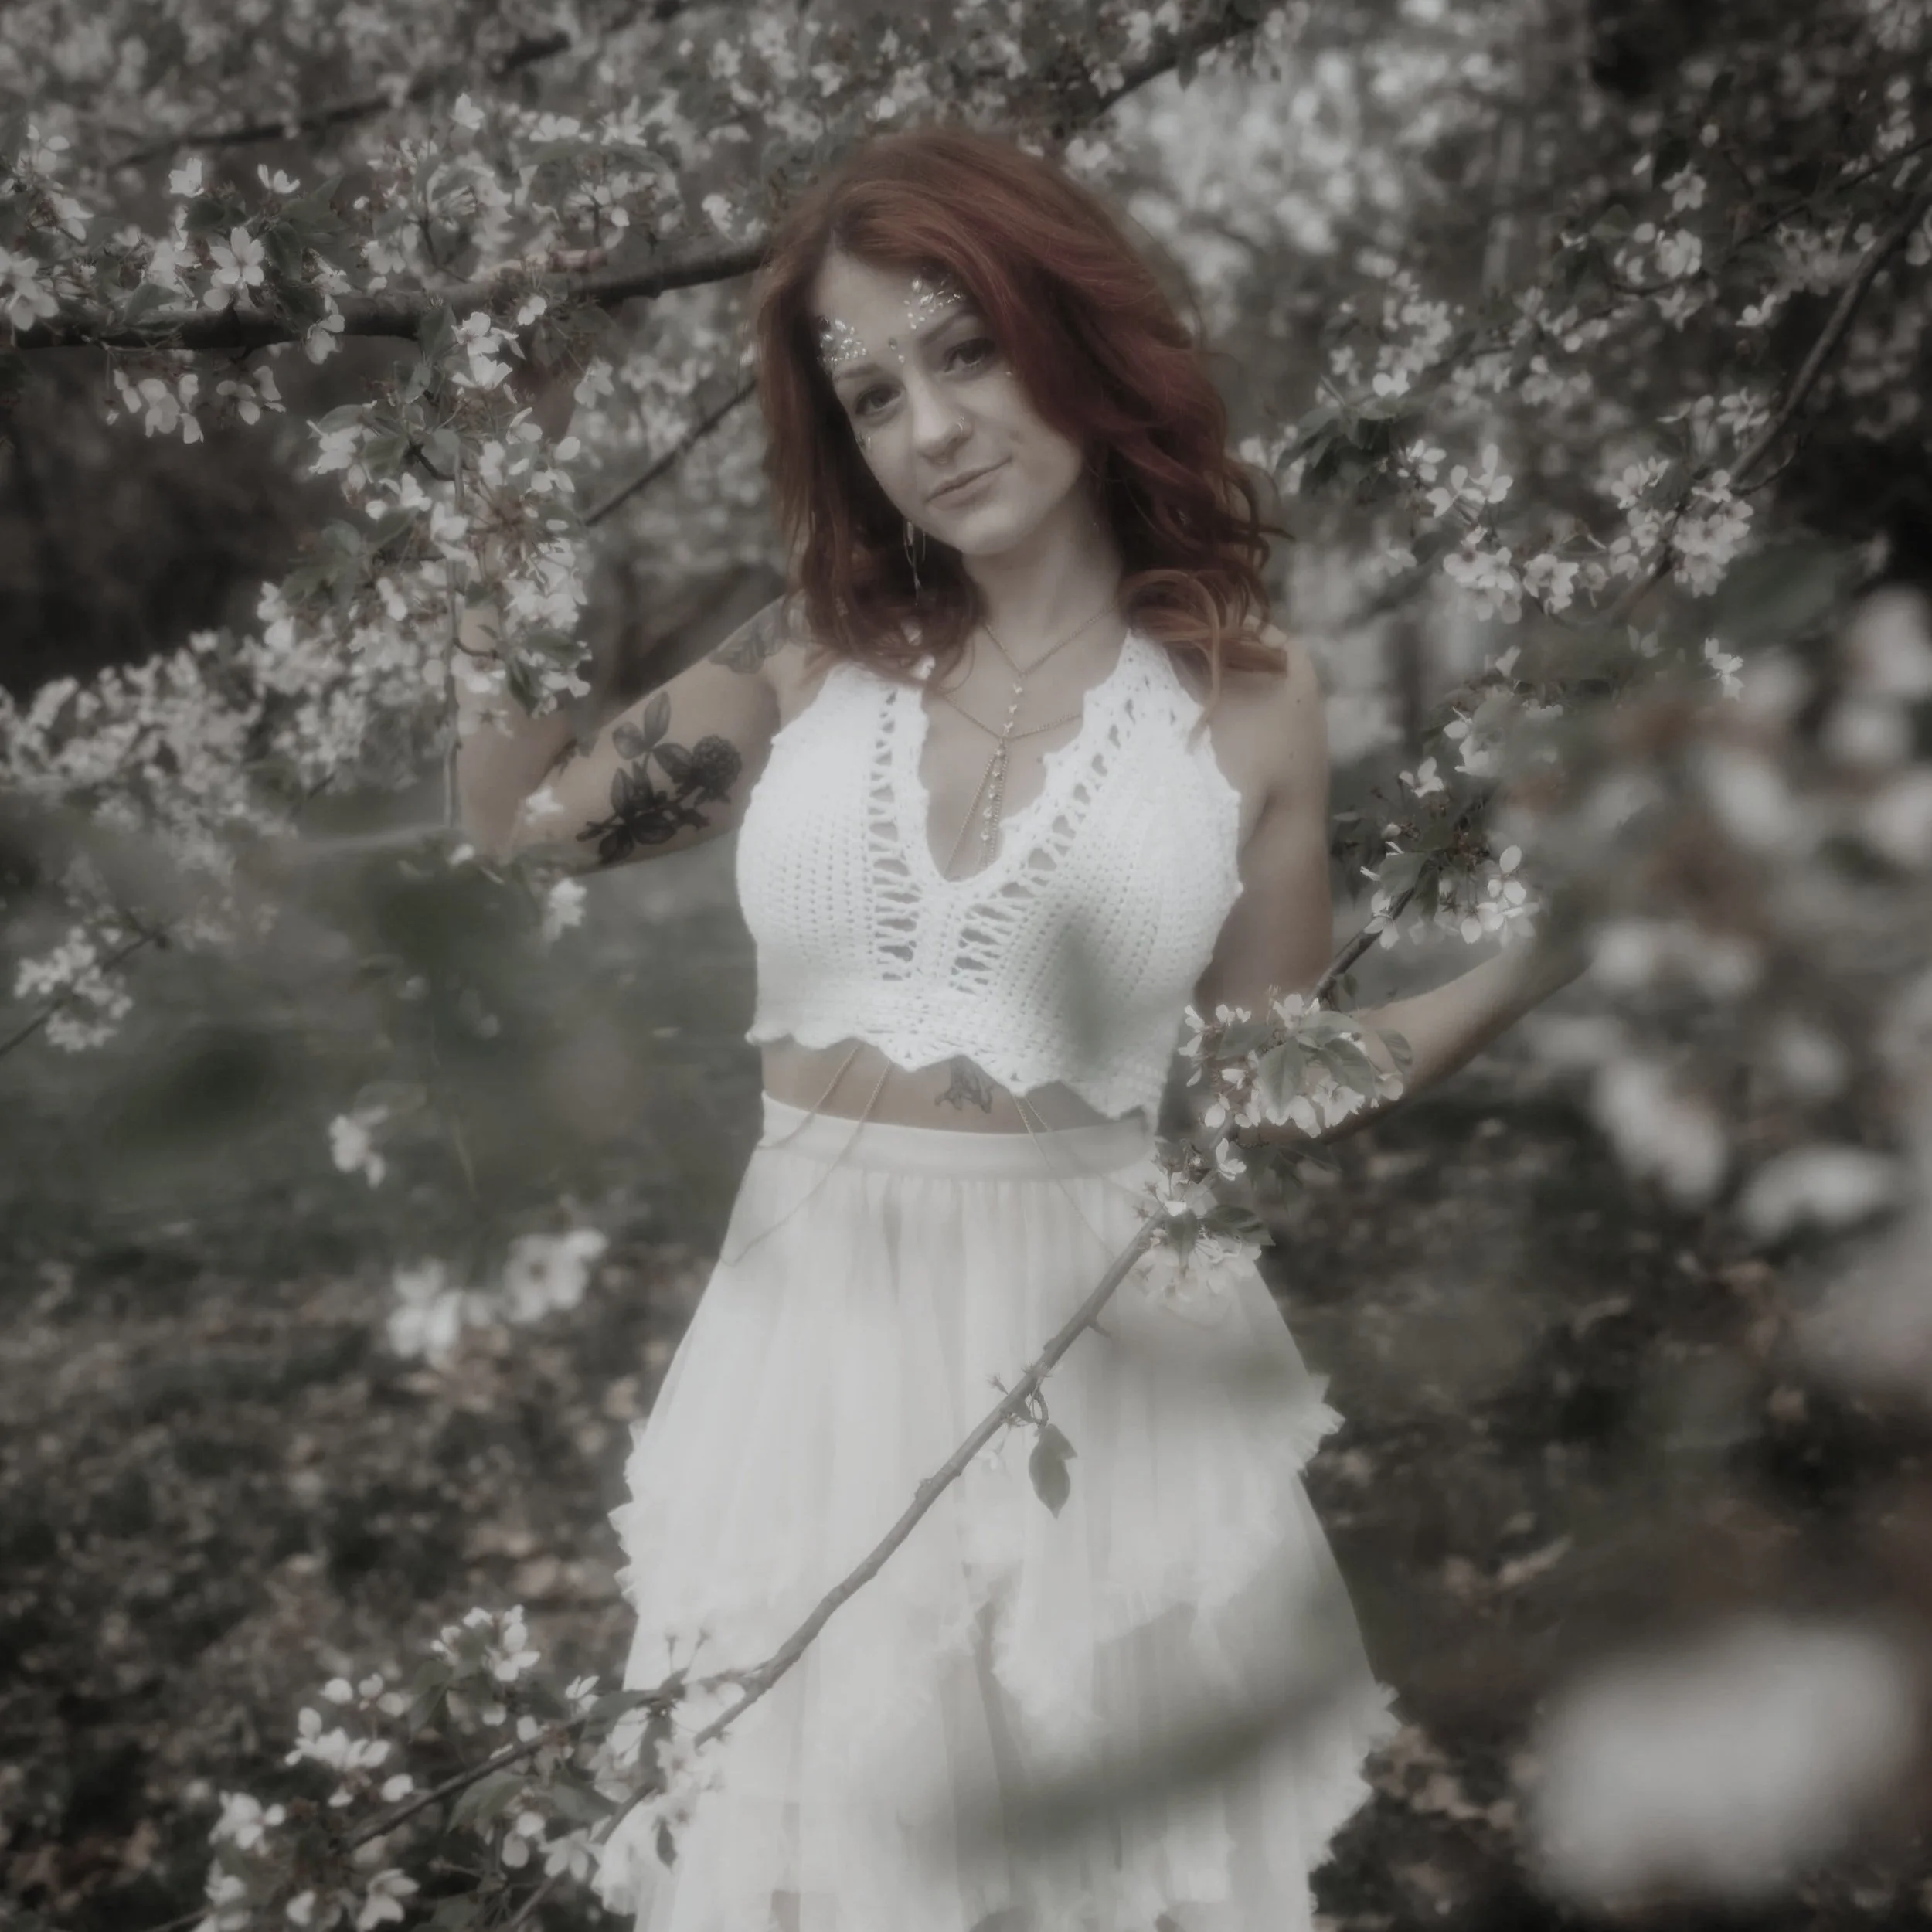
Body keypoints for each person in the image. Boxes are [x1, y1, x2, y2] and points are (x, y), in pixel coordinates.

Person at [457, 124, 1580, 1932]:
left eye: (965, 348)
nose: (931, 426)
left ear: (1072, 335)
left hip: (1098, 1345)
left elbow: (1265, 1086)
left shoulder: (1251, 701)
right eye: (874, 391)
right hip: (804, 1344)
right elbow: (521, 830)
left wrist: (1544, 952)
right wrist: (490, 511)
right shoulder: (808, 659)